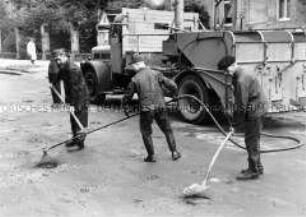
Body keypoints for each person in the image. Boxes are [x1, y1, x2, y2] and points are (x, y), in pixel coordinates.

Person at [122, 53, 181, 162]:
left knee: (146, 132)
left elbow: (127, 97)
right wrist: (175, 95)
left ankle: (151, 156)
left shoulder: (135, 79)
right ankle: (174, 152)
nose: (133, 68)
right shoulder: (156, 73)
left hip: (146, 109)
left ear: (136, 65)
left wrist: (126, 109)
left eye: (133, 66)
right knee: (167, 130)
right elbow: (172, 85)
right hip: (160, 107)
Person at [218, 55, 267, 180]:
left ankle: (254, 170)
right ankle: (257, 166)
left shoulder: (241, 80)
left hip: (255, 110)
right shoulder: (240, 73)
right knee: (253, 139)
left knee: (251, 141)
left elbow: (241, 105)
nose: (226, 73)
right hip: (257, 106)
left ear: (233, 65)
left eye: (226, 69)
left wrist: (234, 125)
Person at [52, 48, 90, 150]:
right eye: (56, 60)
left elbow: (75, 89)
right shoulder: (64, 66)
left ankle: (80, 144)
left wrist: (72, 105)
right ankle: (75, 139)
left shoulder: (72, 69)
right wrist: (53, 82)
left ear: (64, 56)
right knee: (73, 120)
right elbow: (59, 76)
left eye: (59, 59)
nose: (57, 62)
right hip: (72, 97)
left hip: (80, 98)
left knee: (79, 120)